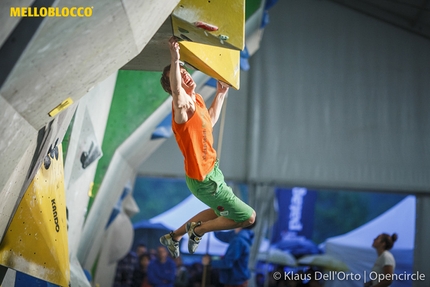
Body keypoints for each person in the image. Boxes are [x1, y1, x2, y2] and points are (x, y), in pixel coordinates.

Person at [159, 36, 256, 258]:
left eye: (185, 71)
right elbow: (177, 92)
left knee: (217, 212)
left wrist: (220, 94)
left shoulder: (199, 99)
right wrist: (175, 60)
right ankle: (198, 230)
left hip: (212, 171)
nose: (185, 75)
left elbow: (209, 121)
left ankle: (174, 236)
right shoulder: (180, 109)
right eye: (179, 76)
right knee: (248, 217)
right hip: (204, 179)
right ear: (175, 87)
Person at [201, 220, 256, 287]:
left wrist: (210, 262)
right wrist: (213, 225)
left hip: (235, 282)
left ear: (240, 223)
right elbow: (221, 235)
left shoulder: (238, 240)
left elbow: (228, 263)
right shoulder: (242, 236)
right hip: (238, 280)